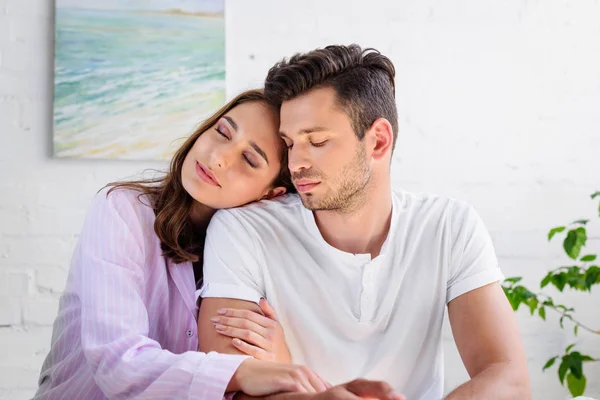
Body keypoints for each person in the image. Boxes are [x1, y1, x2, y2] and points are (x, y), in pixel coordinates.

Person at [198, 45, 531, 400]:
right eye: (290, 143)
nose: (295, 163)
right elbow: (227, 387)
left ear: (378, 141)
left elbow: (507, 376)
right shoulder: (243, 230)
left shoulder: (448, 226)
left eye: (318, 141)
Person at [35, 89, 341, 400]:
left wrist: (277, 359)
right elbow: (117, 363)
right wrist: (242, 372)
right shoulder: (121, 210)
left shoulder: (252, 254)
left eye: (249, 159)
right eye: (222, 132)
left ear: (271, 193)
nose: (218, 158)